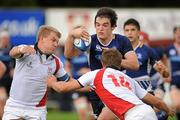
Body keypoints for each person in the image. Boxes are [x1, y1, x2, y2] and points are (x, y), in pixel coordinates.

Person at [47, 48, 175, 120]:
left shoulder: (96, 74)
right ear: (120, 64)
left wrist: (52, 82)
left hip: (134, 116)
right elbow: (157, 102)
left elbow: (64, 88)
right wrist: (169, 110)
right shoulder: (128, 79)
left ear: (102, 63)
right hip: (148, 112)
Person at [64, 7, 139, 118]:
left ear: (113, 27)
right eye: (97, 25)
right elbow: (68, 55)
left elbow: (134, 64)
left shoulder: (122, 41)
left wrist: (113, 57)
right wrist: (71, 35)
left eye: (105, 25)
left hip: (117, 89)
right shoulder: (90, 41)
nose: (100, 29)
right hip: (97, 90)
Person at [2, 25, 70, 120]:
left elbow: (68, 81)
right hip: (14, 106)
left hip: (37, 110)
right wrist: (20, 50)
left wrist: (86, 83)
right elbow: (12, 52)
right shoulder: (25, 50)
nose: (56, 44)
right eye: (53, 40)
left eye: (57, 42)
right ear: (42, 38)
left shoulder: (56, 62)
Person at [123, 18, 170, 120]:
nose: (129, 33)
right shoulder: (119, 50)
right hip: (126, 91)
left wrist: (164, 70)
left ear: (138, 32)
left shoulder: (147, 50)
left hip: (145, 92)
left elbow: (165, 74)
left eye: (133, 30)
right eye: (127, 30)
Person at [65, 53, 94, 120]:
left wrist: (87, 71)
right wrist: (69, 76)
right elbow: (67, 67)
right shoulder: (70, 54)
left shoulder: (88, 54)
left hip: (89, 86)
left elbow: (96, 68)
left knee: (92, 115)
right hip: (77, 86)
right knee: (82, 111)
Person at [165, 26, 180, 120]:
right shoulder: (169, 49)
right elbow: (164, 63)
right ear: (174, 35)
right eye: (177, 33)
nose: (179, 35)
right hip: (175, 82)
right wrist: (166, 75)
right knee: (177, 105)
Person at [0, 30, 13, 120]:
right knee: (2, 100)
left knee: (10, 102)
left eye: (6, 38)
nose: (5, 40)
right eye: (3, 38)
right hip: (1, 78)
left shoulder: (12, 49)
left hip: (11, 79)